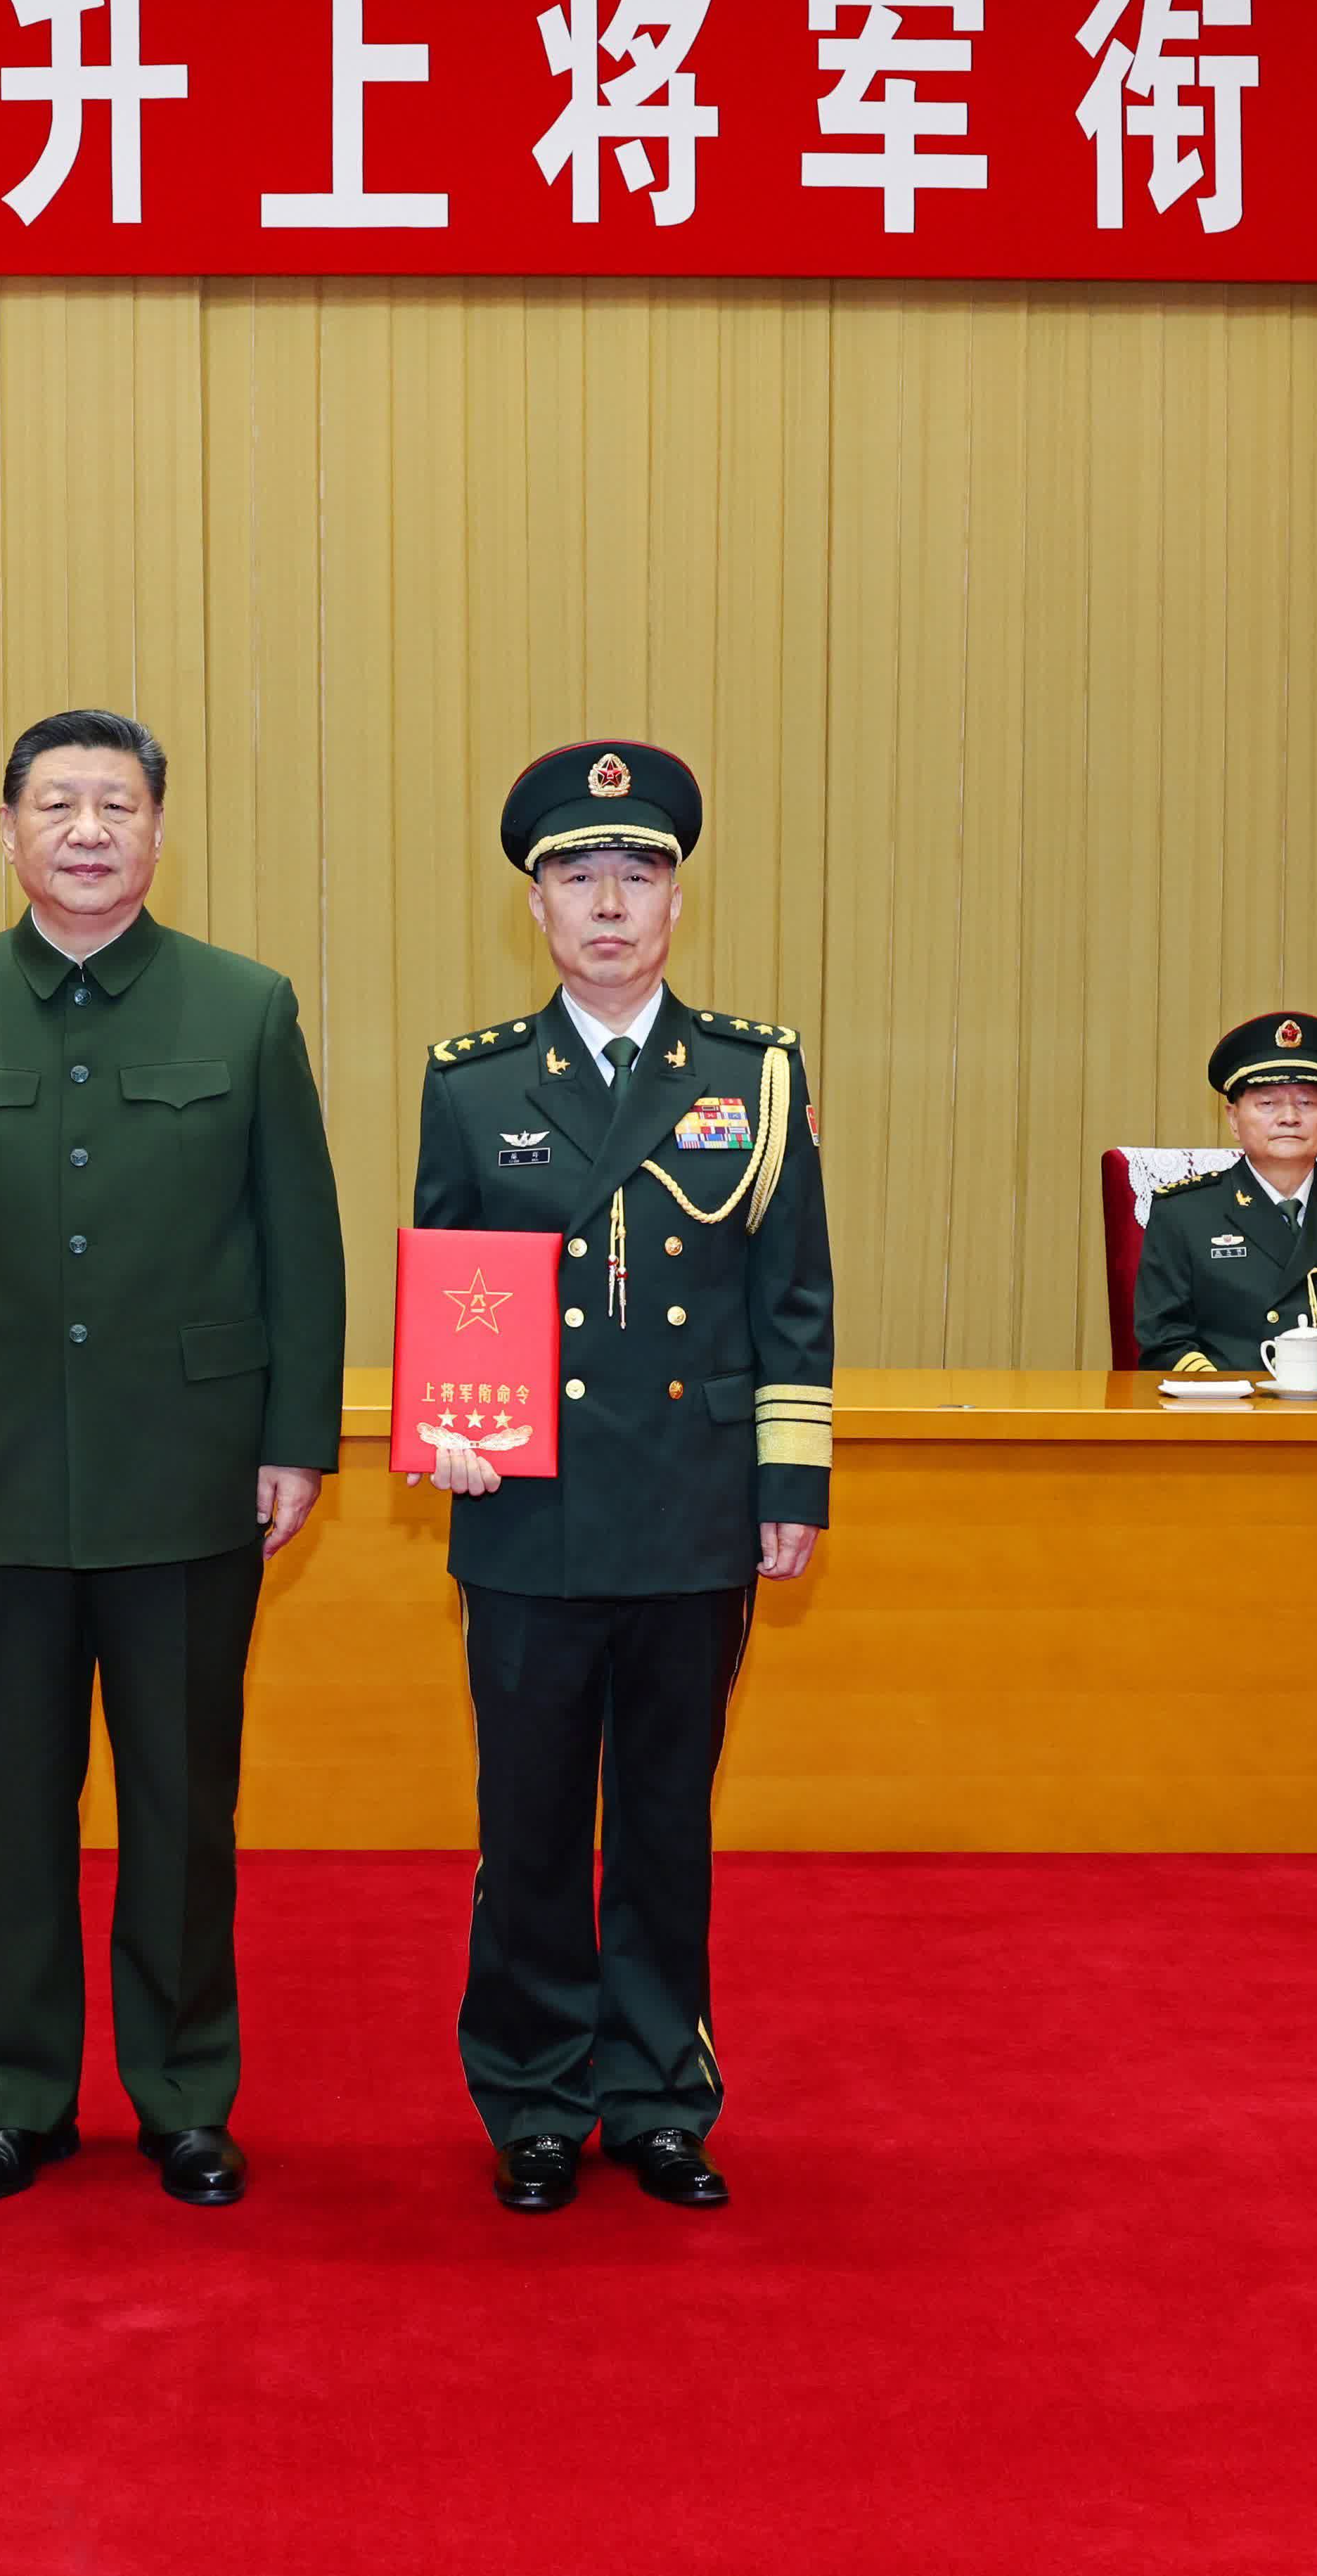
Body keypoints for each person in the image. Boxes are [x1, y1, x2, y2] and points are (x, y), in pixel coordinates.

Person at [0, 709, 346, 2209]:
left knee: (183, 1804)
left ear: (157, 832)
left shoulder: (244, 1007)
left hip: (189, 1469)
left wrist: (295, 1440)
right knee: (7, 1808)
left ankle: (184, 2096)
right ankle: (19, 2097)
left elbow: (300, 1242)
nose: (86, 829)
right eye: (56, 803)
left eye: (115, 805)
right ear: (7, 830)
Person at [409, 739, 831, 2214]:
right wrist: (441, 1423)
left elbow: (791, 1295)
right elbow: (449, 1283)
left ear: (674, 900)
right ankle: (534, 2096)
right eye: (577, 877)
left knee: (662, 1816)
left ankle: (656, 2094)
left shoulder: (752, 1074)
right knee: (528, 1819)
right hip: (525, 1507)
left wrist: (789, 1483)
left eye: (635, 875)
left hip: (689, 1505)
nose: (607, 903)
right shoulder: (472, 1083)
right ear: (532, 905)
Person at [1131, 1012, 1317, 1375]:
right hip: (1230, 1406)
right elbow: (1164, 1342)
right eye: (1267, 1104)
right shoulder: (1185, 1213)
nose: (1289, 1117)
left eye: (1306, 1102)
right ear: (1233, 1119)